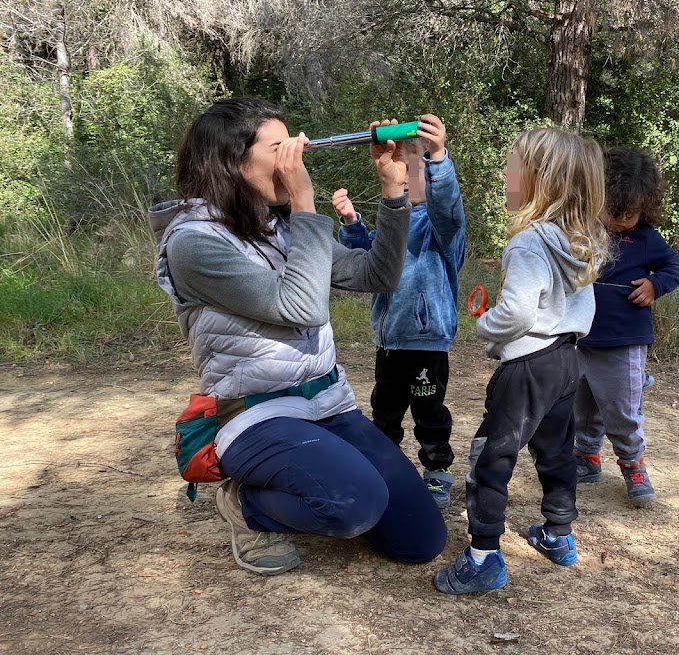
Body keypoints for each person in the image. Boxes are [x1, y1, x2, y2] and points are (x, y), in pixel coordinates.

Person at [148, 98, 447, 576]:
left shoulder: (279, 225)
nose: (295, 156)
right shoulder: (193, 243)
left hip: (327, 403)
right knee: (355, 503)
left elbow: (377, 274)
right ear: (231, 161)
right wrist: (305, 203)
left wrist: (393, 193)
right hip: (256, 413)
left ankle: (322, 482)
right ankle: (247, 507)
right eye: (280, 147)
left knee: (420, 540)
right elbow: (300, 306)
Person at [434, 127, 609, 595]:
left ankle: (483, 557)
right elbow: (576, 310)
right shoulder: (577, 241)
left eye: (511, 166)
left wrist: (485, 326)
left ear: (539, 180)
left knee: (491, 455)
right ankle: (558, 535)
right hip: (567, 362)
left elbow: (517, 312)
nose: (504, 173)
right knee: (556, 453)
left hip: (528, 368)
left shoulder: (529, 242)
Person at [332, 114, 465, 508]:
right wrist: (352, 223)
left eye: (414, 169)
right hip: (389, 342)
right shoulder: (394, 218)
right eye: (400, 170)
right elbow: (371, 258)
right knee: (384, 410)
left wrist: (438, 156)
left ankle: (438, 470)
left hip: (427, 343)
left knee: (429, 412)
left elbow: (449, 209)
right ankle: (384, 466)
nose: (405, 177)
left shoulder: (443, 229)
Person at [574, 147, 679, 506]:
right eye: (613, 211)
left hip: (623, 340)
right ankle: (587, 457)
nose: (620, 220)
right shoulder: (584, 231)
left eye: (630, 214)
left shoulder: (646, 239)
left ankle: (633, 463)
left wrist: (657, 285)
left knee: (621, 410)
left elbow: (675, 265)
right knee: (583, 405)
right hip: (579, 336)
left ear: (646, 206)